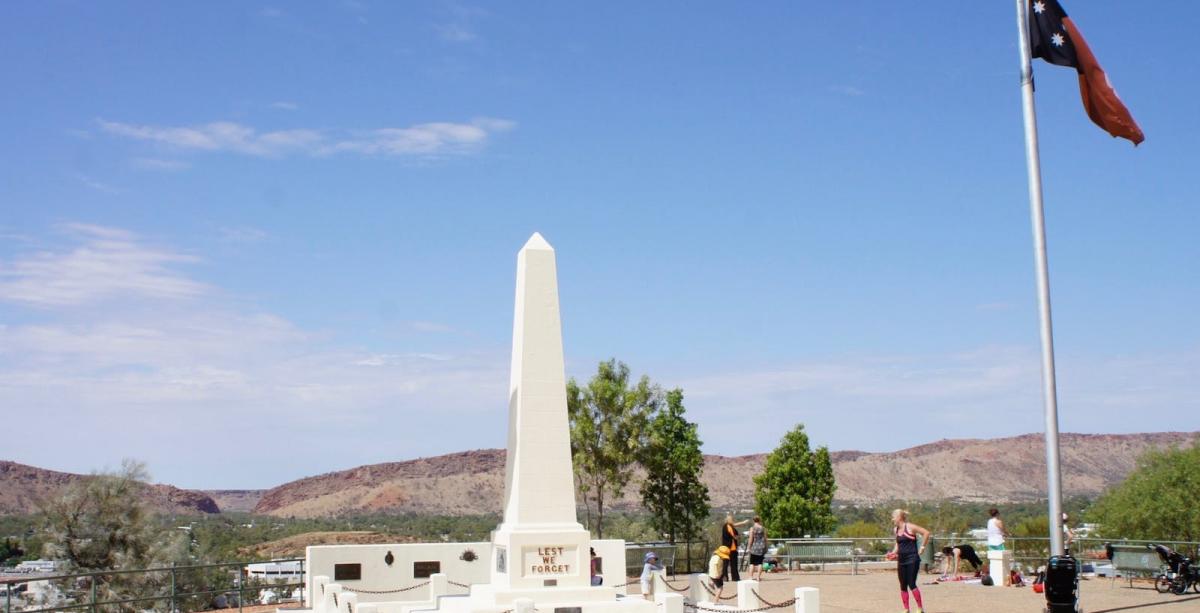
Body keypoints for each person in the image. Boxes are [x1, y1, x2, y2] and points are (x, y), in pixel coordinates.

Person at [888, 509, 930, 613]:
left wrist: (922, 547)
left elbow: (926, 533)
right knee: (902, 585)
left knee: (911, 583)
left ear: (899, 518)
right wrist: (893, 553)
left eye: (894, 517)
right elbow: (898, 544)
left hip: (912, 559)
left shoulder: (910, 527)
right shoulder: (896, 530)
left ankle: (920, 608)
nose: (892, 519)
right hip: (901, 560)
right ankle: (906, 609)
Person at [720, 513, 750, 582]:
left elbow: (737, 525)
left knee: (730, 563)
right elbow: (733, 536)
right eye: (732, 519)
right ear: (729, 520)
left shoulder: (729, 526)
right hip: (729, 548)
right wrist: (738, 536)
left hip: (729, 548)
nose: (733, 520)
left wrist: (743, 522)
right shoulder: (727, 527)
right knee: (729, 563)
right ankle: (730, 577)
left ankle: (730, 577)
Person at [745, 516, 768, 581]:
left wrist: (749, 547)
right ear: (759, 520)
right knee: (760, 563)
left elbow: (751, 538)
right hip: (761, 547)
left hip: (754, 547)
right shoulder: (763, 528)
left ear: (753, 520)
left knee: (752, 563)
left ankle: (750, 576)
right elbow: (765, 539)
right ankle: (758, 577)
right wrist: (766, 547)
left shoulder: (752, 528)